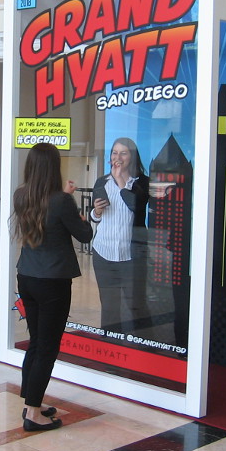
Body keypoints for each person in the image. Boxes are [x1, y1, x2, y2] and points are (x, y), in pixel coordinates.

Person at [11, 143, 93, 432]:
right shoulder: (61, 201)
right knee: (47, 347)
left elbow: (46, 211)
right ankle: (33, 414)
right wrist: (80, 215)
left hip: (27, 276)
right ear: (53, 167)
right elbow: (84, 234)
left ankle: (30, 402)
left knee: (36, 342)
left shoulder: (21, 195)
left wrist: (65, 198)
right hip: (53, 281)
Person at [90, 137, 152, 334]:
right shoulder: (101, 182)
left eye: (123, 153)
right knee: (109, 306)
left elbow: (136, 205)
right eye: (114, 153)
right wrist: (96, 212)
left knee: (136, 305)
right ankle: (110, 345)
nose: (118, 157)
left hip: (132, 255)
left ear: (132, 157)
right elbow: (95, 217)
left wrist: (120, 180)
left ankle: (143, 346)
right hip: (103, 253)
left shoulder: (143, 182)